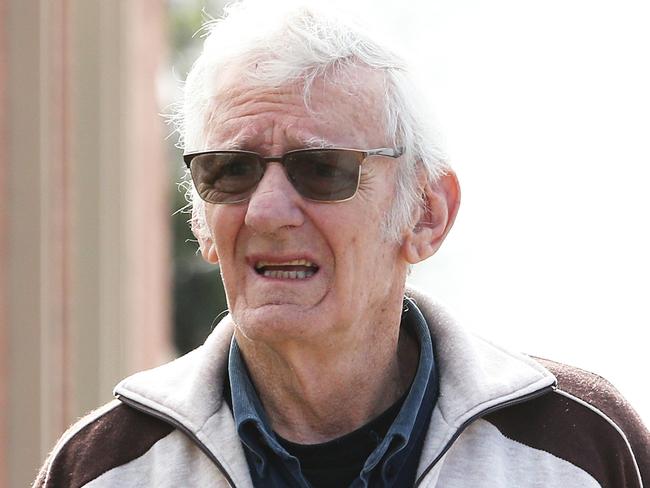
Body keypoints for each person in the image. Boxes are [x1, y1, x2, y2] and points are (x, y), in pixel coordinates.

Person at [34, 1, 649, 487]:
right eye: (231, 171)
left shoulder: (582, 449)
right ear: (201, 222)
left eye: (323, 169)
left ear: (426, 214)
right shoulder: (104, 469)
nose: (268, 211)